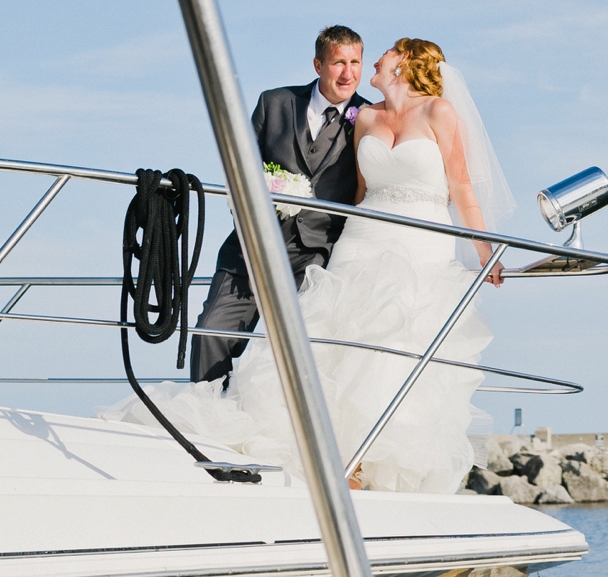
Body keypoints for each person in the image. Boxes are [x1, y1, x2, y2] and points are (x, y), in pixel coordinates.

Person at [104, 37, 514, 494]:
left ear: (404, 65)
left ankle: (363, 462)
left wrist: (485, 249)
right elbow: (358, 193)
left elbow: (461, 186)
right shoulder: (367, 118)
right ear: (319, 63)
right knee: (331, 345)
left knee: (388, 348)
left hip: (420, 243)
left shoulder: (438, 112)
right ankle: (295, 450)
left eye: (375, 57)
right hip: (359, 243)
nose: (367, 63)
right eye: (345, 60)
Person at [188, 25, 371, 386]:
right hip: (251, 251)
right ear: (318, 64)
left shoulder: (368, 117)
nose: (347, 73)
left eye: (355, 62)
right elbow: (239, 170)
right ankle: (204, 426)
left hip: (318, 258)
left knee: (291, 356)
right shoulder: (274, 102)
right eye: (338, 63)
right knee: (209, 335)